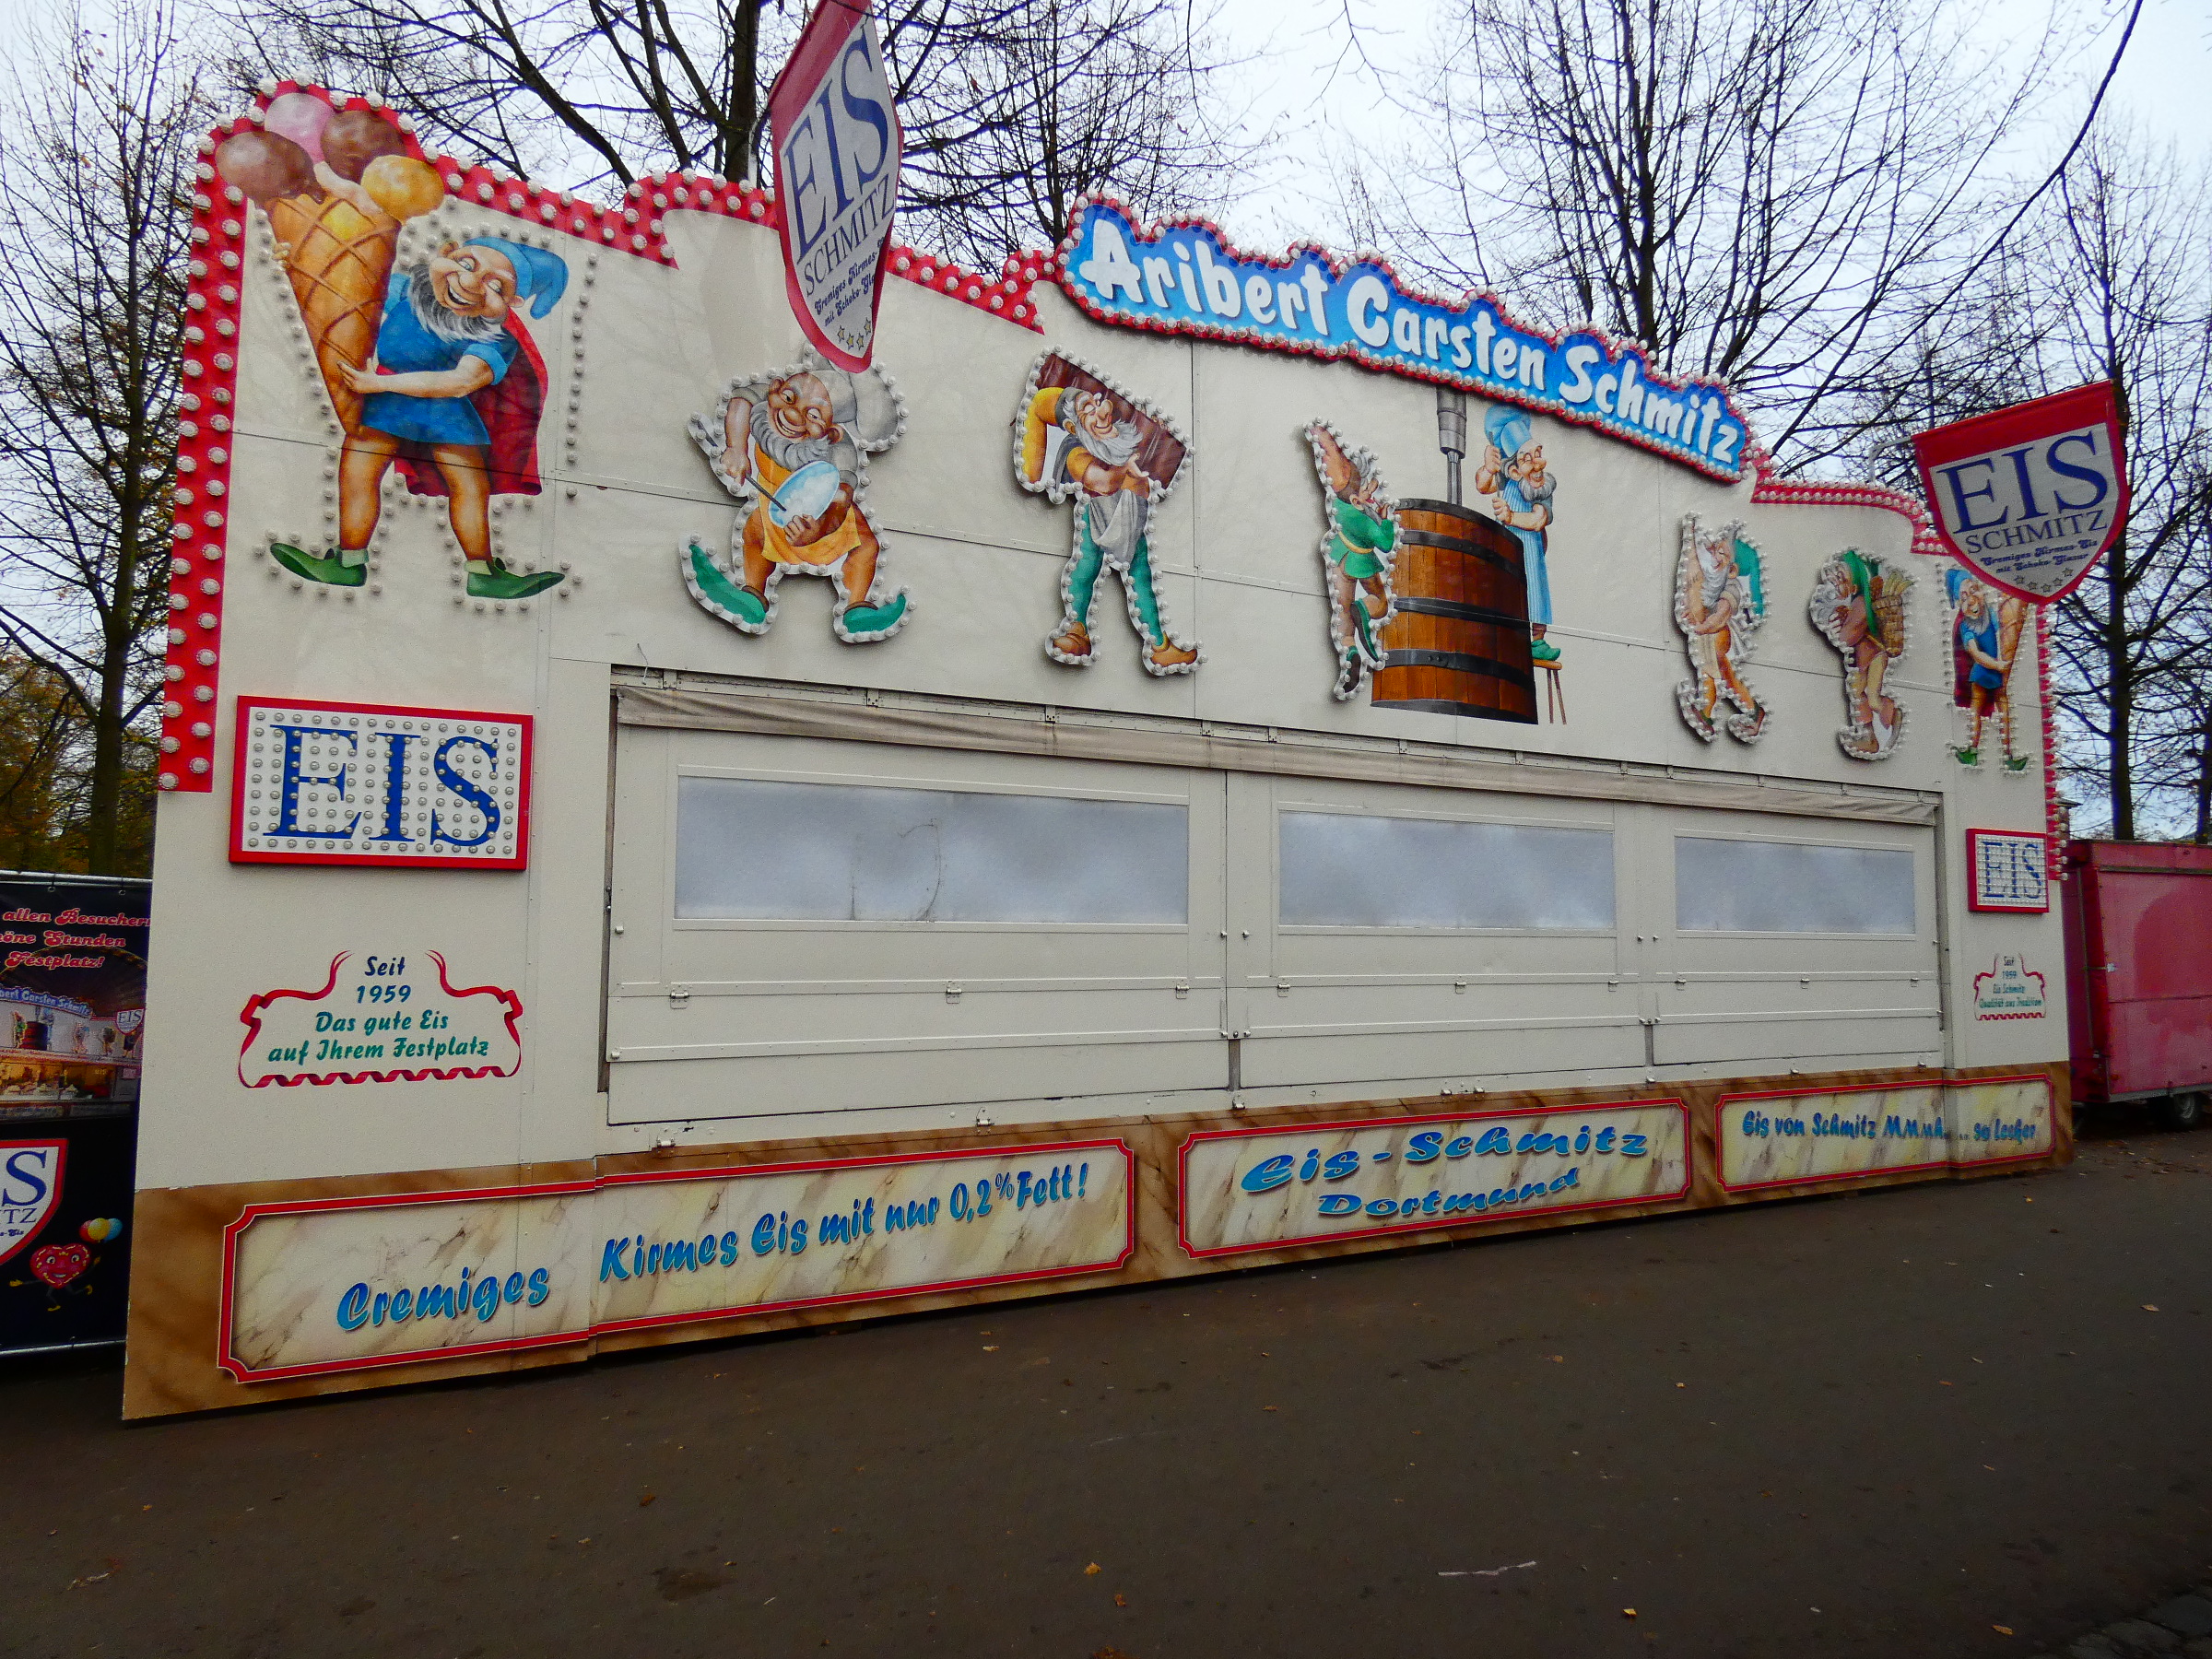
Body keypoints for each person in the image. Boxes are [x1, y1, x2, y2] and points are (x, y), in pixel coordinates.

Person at [271, 239, 568, 599]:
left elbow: (461, 382)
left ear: (512, 303)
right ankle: (348, 562)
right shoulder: (406, 293)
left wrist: (380, 383)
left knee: (469, 486)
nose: (470, 284)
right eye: (467, 264)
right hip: (387, 406)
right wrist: (297, 264)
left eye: (496, 286)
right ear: (446, 252)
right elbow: (347, 290)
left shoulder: (494, 339)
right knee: (358, 472)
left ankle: (483, 573)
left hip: (444, 413)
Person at [684, 362, 908, 641]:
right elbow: (741, 400)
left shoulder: (840, 451)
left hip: (821, 522)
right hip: (771, 513)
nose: (791, 415)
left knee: (865, 546)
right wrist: (736, 449)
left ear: (832, 433)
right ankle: (752, 596)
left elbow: (841, 497)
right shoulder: (763, 411)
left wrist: (819, 529)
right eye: (789, 398)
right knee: (754, 532)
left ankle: (857, 608)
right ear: (776, 387)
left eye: (813, 416)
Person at [1019, 378, 1199, 674]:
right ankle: (1077, 631)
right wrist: (1125, 470)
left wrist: (1150, 450)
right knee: (1086, 566)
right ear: (1073, 426)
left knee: (1142, 577)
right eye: (1087, 409)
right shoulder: (1076, 450)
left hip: (1132, 516)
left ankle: (1160, 647)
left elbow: (1147, 471)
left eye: (1096, 402)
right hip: (1097, 517)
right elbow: (1100, 482)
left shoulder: (1123, 439)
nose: (1100, 411)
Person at [1305, 423, 1396, 700]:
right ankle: (1366, 608)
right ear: (1358, 500)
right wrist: (1385, 521)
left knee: (1342, 612)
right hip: (1361, 562)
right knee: (1381, 602)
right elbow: (1386, 544)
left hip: (1338, 557)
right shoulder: (1366, 520)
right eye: (1368, 491)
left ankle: (1350, 654)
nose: (1372, 496)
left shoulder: (1339, 507)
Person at [1474, 407, 1559, 662]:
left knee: (1535, 589)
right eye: (1527, 459)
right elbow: (1482, 486)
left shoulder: (1543, 488)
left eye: (1538, 454)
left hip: (1530, 550)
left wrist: (1511, 517)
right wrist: (1488, 468)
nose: (1537, 464)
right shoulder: (1507, 480)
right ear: (1513, 470)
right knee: (1504, 589)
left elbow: (1538, 519)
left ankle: (1537, 641)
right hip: (1504, 548)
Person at [1676, 518, 1766, 741]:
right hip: (1707, 635)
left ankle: (1752, 711)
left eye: (1722, 555)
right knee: (1712, 675)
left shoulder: (1731, 588)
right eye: (1714, 552)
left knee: (1721, 672)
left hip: (1720, 636)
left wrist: (1697, 628)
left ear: (1732, 569)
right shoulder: (1712, 582)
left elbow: (1718, 619)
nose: (1715, 558)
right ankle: (1708, 715)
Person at [1948, 571, 2029, 770]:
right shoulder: (1966, 627)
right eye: (1964, 597)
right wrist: (1996, 665)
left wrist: (2002, 658)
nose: (1971, 600)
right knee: (1976, 711)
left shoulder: (1991, 613)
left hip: (1997, 672)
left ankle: (2008, 755)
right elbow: (1975, 653)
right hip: (1982, 673)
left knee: (2004, 712)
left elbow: (2001, 635)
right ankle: (1972, 750)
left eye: (1974, 590)